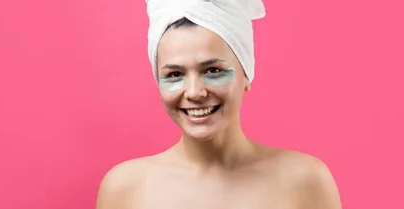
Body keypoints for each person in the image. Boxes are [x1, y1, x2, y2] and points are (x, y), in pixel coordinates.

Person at [95, 0, 342, 208]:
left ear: (246, 73)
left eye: (213, 70)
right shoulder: (125, 189)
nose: (194, 92)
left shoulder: (305, 181)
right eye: (174, 75)